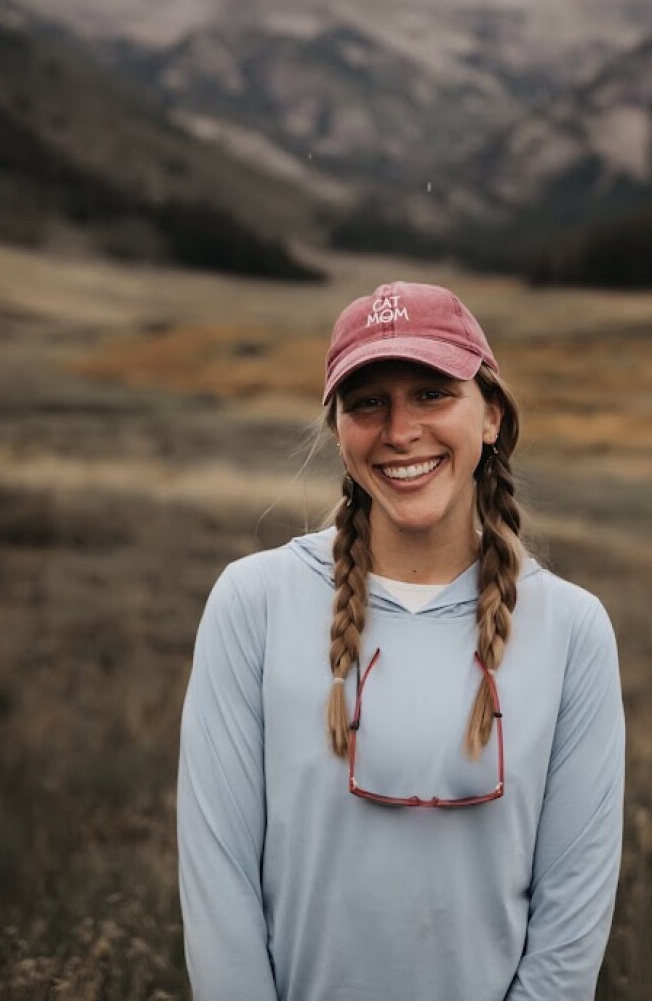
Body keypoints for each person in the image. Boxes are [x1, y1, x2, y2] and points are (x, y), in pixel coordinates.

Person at [177, 281, 625, 1001]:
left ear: (491, 416)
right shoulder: (251, 603)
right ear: (338, 428)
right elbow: (218, 884)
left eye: (431, 394)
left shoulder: (572, 630)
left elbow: (571, 919)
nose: (399, 429)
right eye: (368, 402)